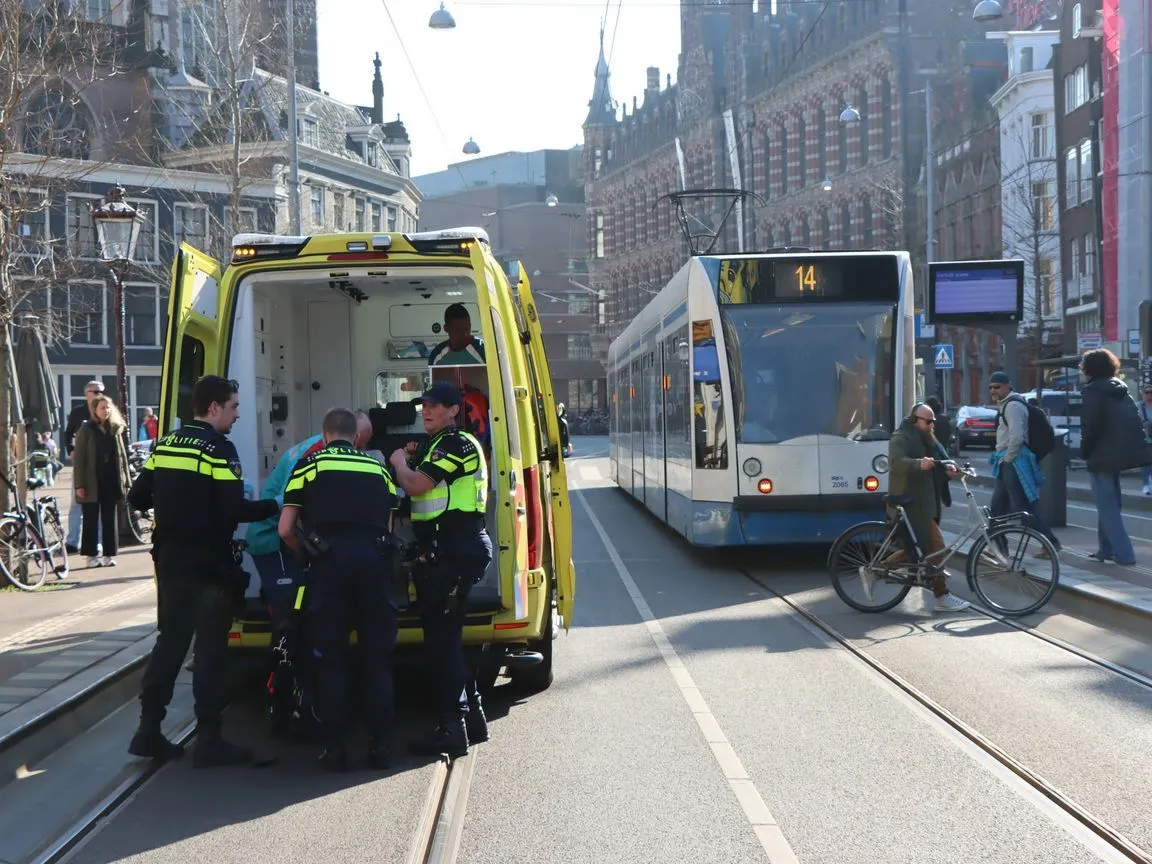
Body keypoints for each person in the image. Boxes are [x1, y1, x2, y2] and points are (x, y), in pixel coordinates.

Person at [126, 376, 279, 768]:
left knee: (170, 643)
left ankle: (148, 729)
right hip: (209, 565)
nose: (237, 413)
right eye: (233, 406)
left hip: (171, 560)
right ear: (214, 408)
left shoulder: (166, 445)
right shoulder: (218, 449)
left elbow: (137, 497)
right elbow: (234, 509)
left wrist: (175, 506)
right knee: (211, 651)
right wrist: (277, 505)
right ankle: (209, 739)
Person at [278, 408, 399, 771]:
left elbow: (286, 529)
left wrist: (308, 556)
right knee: (376, 659)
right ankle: (380, 746)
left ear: (325, 433)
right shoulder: (378, 469)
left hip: (329, 567)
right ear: (356, 436)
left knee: (330, 659)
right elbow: (389, 525)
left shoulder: (309, 465)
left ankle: (335, 748)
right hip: (374, 567)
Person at [389, 382, 492, 757]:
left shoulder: (456, 444)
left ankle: (452, 727)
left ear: (454, 410)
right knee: (445, 637)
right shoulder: (439, 445)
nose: (426, 411)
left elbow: (417, 486)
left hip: (455, 549)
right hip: (447, 550)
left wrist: (401, 463)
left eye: (434, 406)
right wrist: (414, 458)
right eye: (424, 406)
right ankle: (473, 720)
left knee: (442, 641)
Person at [247, 414, 373, 618]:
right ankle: (284, 649)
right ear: (353, 436)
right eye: (359, 445)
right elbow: (290, 505)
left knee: (301, 605)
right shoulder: (310, 455)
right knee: (287, 613)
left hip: (287, 538)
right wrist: (308, 549)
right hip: (271, 539)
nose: (357, 451)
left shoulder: (322, 449)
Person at [873, 402, 970, 612]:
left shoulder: (929, 436)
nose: (931, 424)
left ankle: (877, 569)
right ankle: (941, 595)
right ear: (914, 420)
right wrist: (918, 463)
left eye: (932, 420)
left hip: (927, 501)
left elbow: (941, 455)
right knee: (936, 546)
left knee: (918, 548)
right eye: (927, 421)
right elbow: (896, 463)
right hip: (910, 502)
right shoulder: (901, 437)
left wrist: (951, 466)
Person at [1079, 349, 1149, 565]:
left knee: (1107, 506)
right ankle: (1105, 549)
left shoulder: (1092, 391)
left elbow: (1090, 427)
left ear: (1090, 369)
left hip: (1101, 454)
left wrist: (1085, 451)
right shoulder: (1121, 390)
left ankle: (1125, 554)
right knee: (1110, 503)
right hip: (1120, 453)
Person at [987, 371, 1062, 557]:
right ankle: (999, 546)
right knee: (997, 507)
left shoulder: (1012, 406)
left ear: (1007, 386)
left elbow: (1017, 436)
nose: (993, 391)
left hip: (1013, 462)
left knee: (1022, 507)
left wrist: (1008, 458)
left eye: (997, 387)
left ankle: (1050, 542)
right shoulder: (1008, 404)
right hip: (1008, 461)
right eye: (990, 388)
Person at [73, 395, 132, 568]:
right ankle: (91, 556)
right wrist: (79, 485)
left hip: (110, 478)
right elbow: (79, 460)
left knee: (109, 518)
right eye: (102, 408)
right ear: (94, 410)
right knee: (91, 518)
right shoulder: (86, 430)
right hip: (91, 480)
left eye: (108, 407)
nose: (105, 411)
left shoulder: (115, 429)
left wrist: (126, 482)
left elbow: (122, 458)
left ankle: (108, 554)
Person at [63, 380, 106, 553]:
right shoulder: (77, 412)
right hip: (81, 464)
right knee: (76, 503)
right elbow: (67, 434)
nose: (98, 394)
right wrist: (70, 450)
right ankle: (72, 541)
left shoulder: (105, 410)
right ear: (86, 393)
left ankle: (99, 541)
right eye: (95, 392)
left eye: (101, 391)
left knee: (100, 505)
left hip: (101, 465)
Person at [1139, 385, 1152, 495]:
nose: (1149, 395)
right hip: (1144, 438)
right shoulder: (1139, 406)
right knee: (1146, 463)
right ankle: (1146, 485)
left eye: (1151, 393)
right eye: (1146, 393)